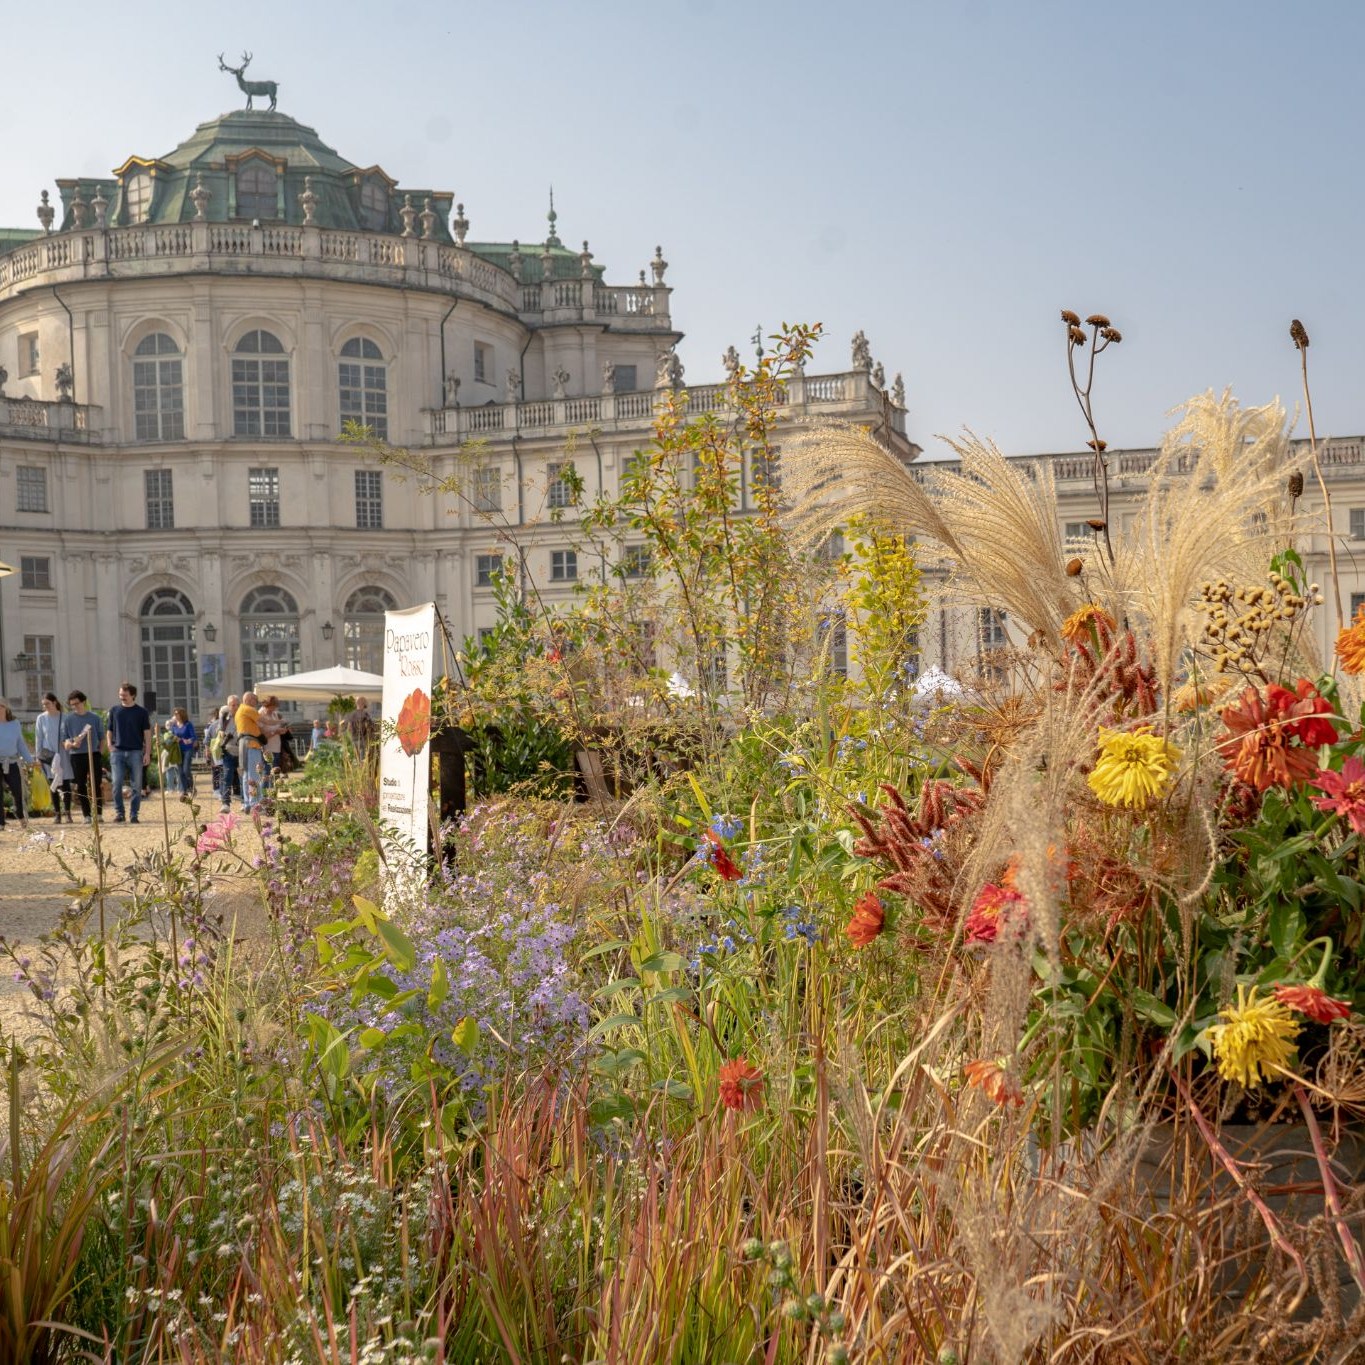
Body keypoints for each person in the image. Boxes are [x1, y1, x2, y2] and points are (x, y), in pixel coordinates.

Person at [105, 681, 152, 824]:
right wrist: (109, 745)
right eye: (120, 695)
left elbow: (147, 734)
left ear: (133, 695)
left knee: (136, 785)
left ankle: (134, 814)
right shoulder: (114, 711)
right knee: (116, 783)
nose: (121, 697)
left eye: (124, 695)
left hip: (135, 752)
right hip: (117, 751)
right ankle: (120, 813)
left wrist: (147, 753)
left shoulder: (142, 712)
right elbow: (109, 730)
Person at [64, 691, 104, 822]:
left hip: (94, 754)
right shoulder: (68, 720)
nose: (75, 706)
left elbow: (101, 737)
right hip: (76, 756)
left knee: (96, 783)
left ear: (84, 702)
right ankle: (86, 815)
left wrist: (100, 752)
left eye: (77, 703)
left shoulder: (95, 718)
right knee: (81, 785)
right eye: (72, 705)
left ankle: (98, 814)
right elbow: (65, 741)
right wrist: (71, 744)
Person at [34, 693, 75, 823]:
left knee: (66, 785)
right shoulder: (41, 718)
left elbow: (70, 735)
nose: (45, 706)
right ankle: (57, 814)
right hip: (49, 755)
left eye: (48, 703)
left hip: (63, 754)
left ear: (55, 702)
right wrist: (38, 756)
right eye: (44, 704)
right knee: (53, 784)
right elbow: (38, 738)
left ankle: (67, 813)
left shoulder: (66, 717)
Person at [0, 699, 34, 829]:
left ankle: (21, 816)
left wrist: (29, 760)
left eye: (1, 706)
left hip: (12, 761)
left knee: (17, 791)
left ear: (6, 708)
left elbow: (20, 744)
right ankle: (1, 823)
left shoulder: (14, 724)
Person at [234, 691, 267, 812]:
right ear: (248, 699)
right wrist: (278, 723)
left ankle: (248, 803)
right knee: (254, 775)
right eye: (255, 700)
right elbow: (263, 721)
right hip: (251, 744)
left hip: (244, 744)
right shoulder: (248, 708)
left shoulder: (241, 710)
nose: (256, 702)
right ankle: (255, 804)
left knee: (247, 775)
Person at [166, 708, 196, 798]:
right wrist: (173, 738)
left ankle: (192, 787)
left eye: (177, 714)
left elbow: (194, 737)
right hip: (178, 750)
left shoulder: (188, 724)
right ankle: (184, 791)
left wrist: (186, 740)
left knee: (186, 770)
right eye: (175, 714)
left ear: (182, 714)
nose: (175, 715)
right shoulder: (174, 726)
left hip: (188, 749)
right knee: (180, 771)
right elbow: (171, 736)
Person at [218, 696, 240, 813]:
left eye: (237, 704)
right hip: (228, 750)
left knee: (243, 777)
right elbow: (219, 731)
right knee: (227, 777)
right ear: (228, 705)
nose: (235, 707)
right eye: (232, 705)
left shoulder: (242, 716)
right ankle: (225, 803)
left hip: (242, 751)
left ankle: (245, 801)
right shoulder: (225, 718)